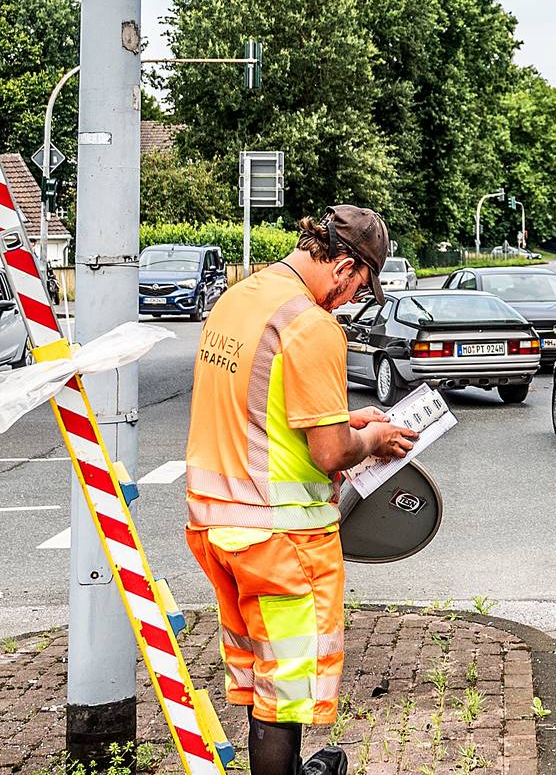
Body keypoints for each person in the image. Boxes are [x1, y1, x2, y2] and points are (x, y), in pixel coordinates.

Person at [186, 206, 420, 775]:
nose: (350, 300)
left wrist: (342, 416)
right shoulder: (312, 326)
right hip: (281, 538)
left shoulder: (241, 299)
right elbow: (331, 453)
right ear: (344, 266)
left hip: (219, 528)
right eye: (359, 287)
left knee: (261, 676)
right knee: (284, 694)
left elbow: (264, 406)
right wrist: (375, 439)